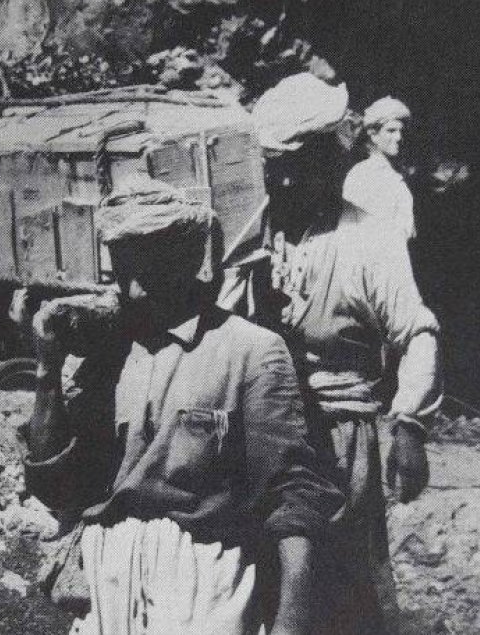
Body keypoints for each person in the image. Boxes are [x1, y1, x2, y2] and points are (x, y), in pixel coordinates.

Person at [18, 178, 342, 635]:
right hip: (107, 575)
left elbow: (293, 495)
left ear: (187, 261)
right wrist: (47, 370)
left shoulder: (249, 350)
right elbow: (57, 489)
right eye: (119, 270)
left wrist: (292, 619)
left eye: (146, 272)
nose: (131, 291)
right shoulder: (110, 354)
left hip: (203, 582)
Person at [222, 72, 443, 634]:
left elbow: (416, 332)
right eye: (275, 162)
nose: (286, 176)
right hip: (260, 430)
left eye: (300, 161)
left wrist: (409, 423)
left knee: (342, 585)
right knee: (259, 579)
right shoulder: (253, 233)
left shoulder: (368, 239)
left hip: (339, 435)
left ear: (331, 157)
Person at [342, 97, 416, 239]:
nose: (399, 137)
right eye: (391, 131)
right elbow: (351, 231)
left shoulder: (396, 175)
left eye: (401, 131)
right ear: (373, 135)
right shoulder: (362, 174)